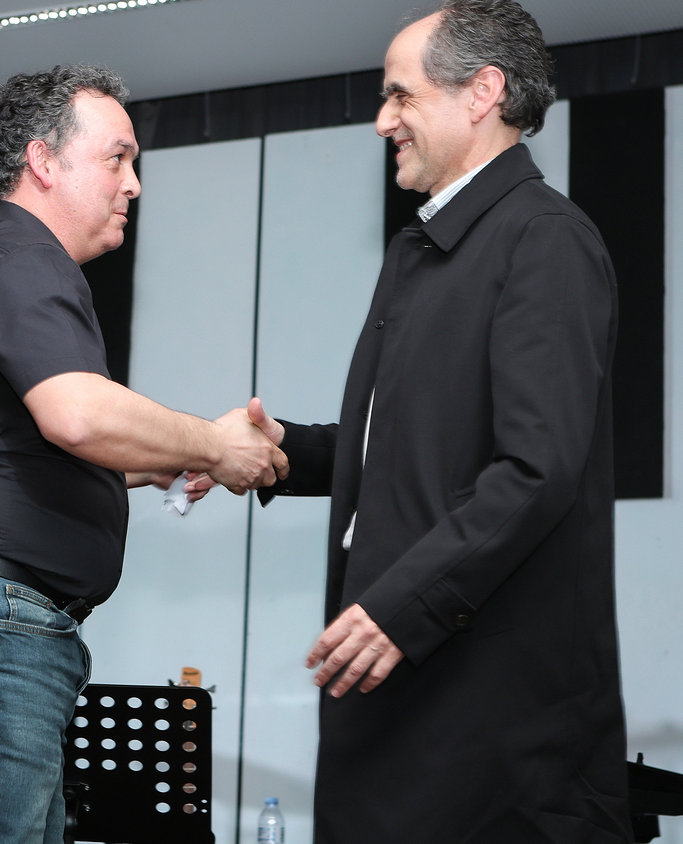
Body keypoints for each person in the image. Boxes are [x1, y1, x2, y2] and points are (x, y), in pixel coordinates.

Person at [0, 64, 287, 844]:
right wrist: (215, 442)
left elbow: (27, 442)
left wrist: (163, 460)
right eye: (116, 158)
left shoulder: (4, 259)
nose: (134, 184)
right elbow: (78, 414)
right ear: (43, 161)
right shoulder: (21, 255)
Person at [245, 1, 630, 840]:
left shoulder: (545, 239)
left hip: (482, 717)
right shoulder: (423, 251)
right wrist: (282, 453)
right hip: (404, 687)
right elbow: (409, 451)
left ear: (482, 92)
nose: (383, 121)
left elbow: (535, 470)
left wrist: (402, 607)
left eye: (401, 95)